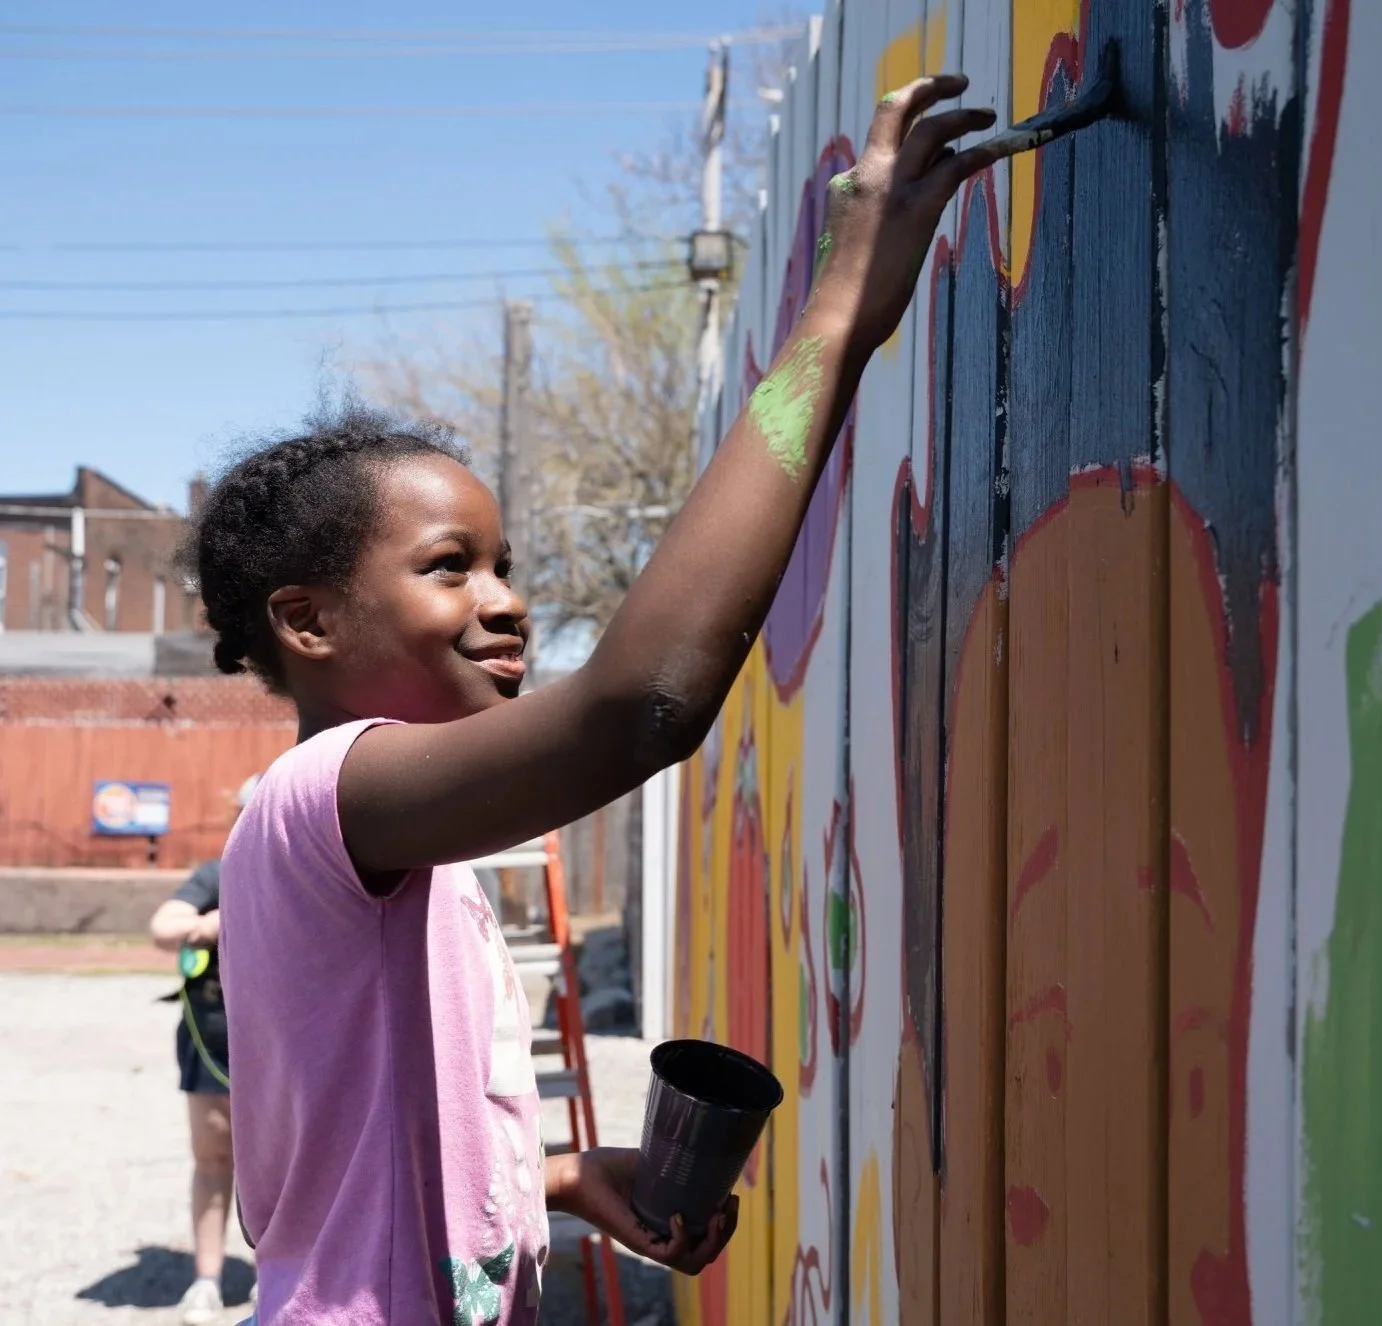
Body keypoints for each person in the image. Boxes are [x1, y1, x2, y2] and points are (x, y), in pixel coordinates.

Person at [192, 74, 996, 1325]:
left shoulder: (412, 845)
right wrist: (836, 314)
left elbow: (358, 1154)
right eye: (449, 567)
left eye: (505, 565)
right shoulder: (327, 796)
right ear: (306, 622)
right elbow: (641, 709)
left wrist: (555, 1176)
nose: (505, 600)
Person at [148, 774, 259, 1325]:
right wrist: (209, 924)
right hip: (211, 1040)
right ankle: (207, 1281)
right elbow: (163, 926)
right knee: (213, 1161)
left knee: (286, 1167)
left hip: (284, 1047)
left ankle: (278, 1277)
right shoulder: (215, 876)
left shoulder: (305, 875)